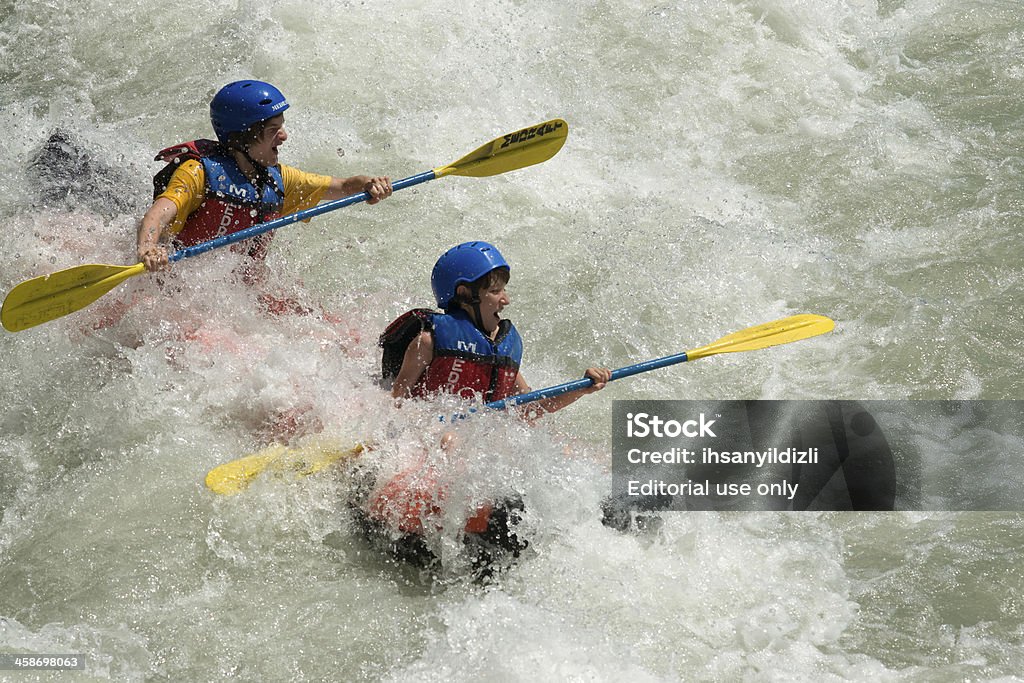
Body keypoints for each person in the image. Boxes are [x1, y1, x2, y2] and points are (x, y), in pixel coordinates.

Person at [358, 241, 611, 577]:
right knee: (451, 439)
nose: (505, 300)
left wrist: (582, 388)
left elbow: (529, 408)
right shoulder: (428, 342)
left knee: (562, 445)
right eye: (495, 291)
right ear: (465, 294)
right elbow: (397, 407)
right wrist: (432, 428)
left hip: (482, 441)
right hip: (432, 441)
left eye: (504, 290)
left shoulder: (502, 348)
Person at [135, 80, 393, 294]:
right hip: (176, 287)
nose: (283, 136)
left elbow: (344, 186)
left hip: (239, 295)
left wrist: (369, 185)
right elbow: (160, 213)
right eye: (273, 129)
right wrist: (148, 248)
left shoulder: (278, 180)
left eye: (281, 126)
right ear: (242, 137)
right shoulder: (197, 173)